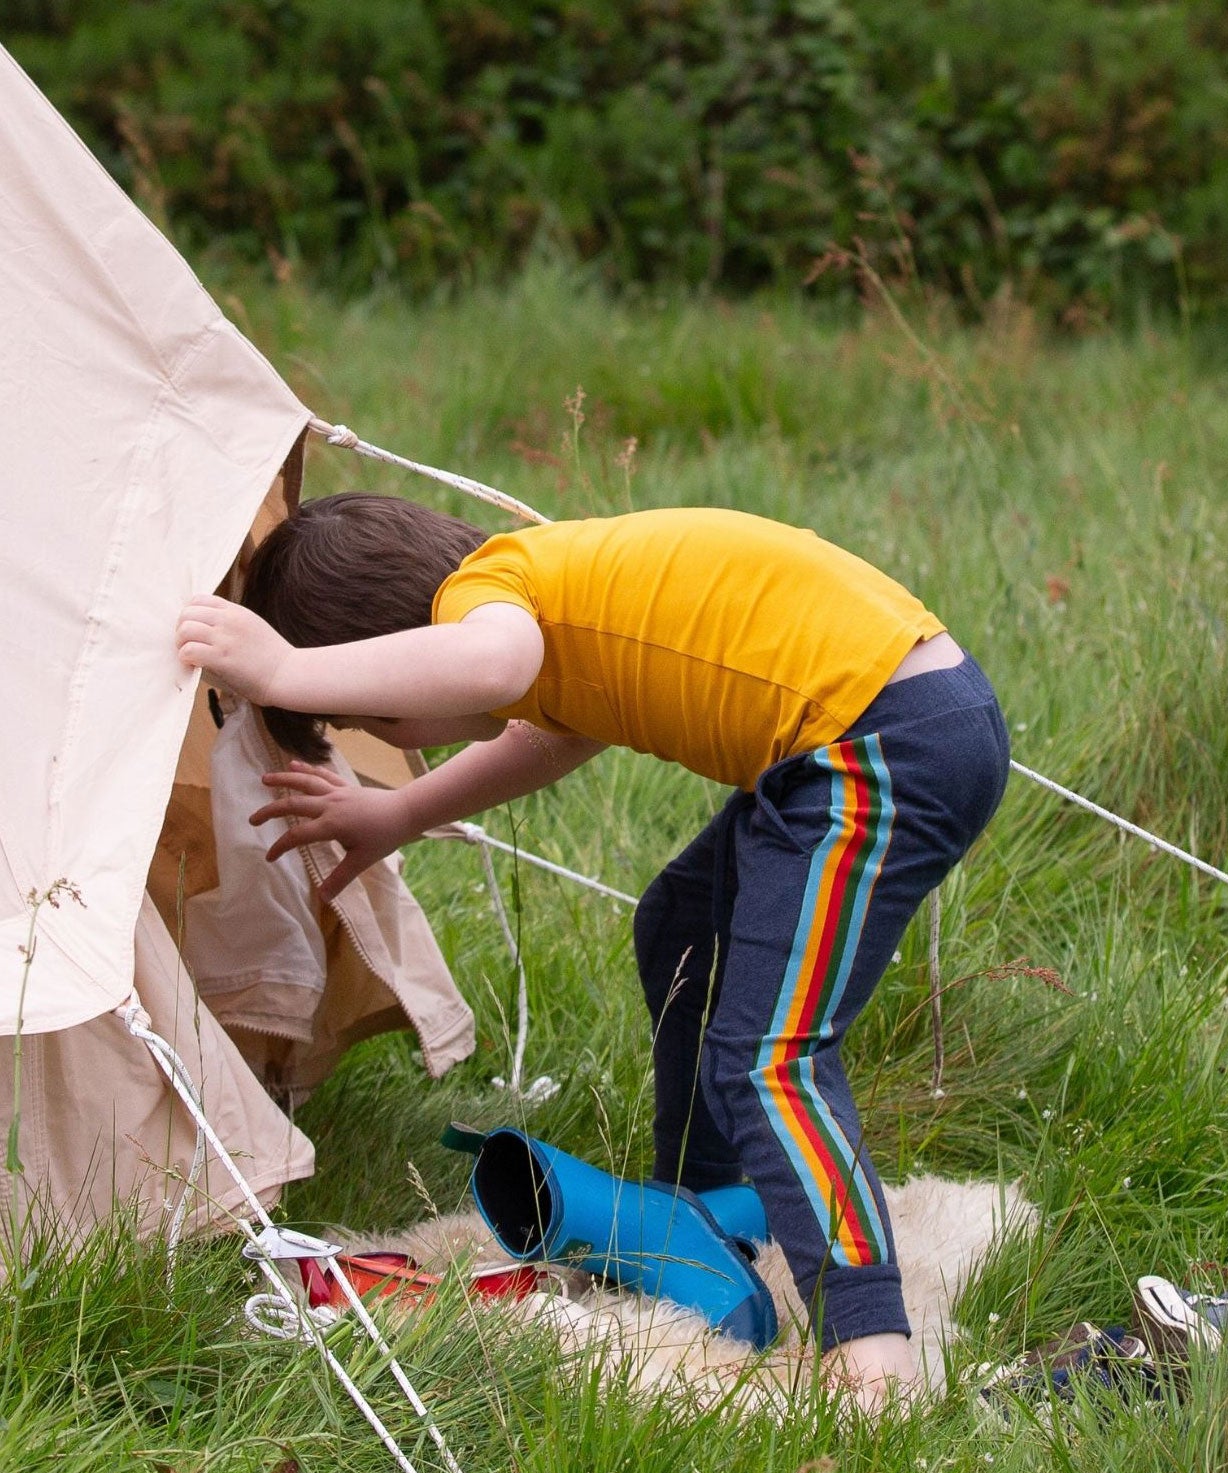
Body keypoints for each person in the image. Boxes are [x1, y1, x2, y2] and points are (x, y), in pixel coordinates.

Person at [176, 492, 1010, 1409]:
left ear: (397, 637)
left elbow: (490, 663)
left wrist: (288, 669)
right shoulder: (546, 603)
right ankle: (699, 1206)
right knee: (681, 928)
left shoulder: (491, 600)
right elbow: (557, 731)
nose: (389, 736)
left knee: (770, 1056)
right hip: (867, 733)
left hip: (883, 745)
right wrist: (401, 812)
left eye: (380, 718)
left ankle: (873, 1358)